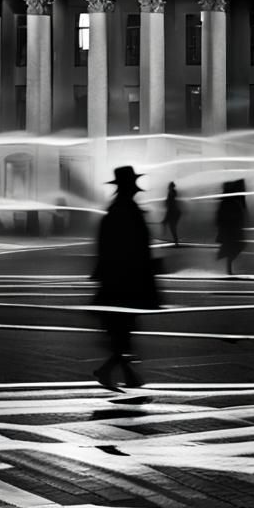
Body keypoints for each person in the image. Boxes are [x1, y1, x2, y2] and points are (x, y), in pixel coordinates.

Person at [92, 166, 161, 390]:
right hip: (126, 279)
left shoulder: (117, 210)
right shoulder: (126, 211)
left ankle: (117, 372)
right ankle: (121, 373)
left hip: (120, 279)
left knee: (122, 330)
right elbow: (134, 248)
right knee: (123, 330)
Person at [215, 180, 247, 276]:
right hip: (230, 227)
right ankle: (228, 268)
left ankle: (228, 267)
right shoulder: (230, 200)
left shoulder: (231, 199)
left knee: (235, 246)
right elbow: (222, 214)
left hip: (232, 227)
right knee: (236, 245)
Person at [162, 182, 182, 246]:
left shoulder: (171, 194)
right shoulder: (172, 194)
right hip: (174, 212)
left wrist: (165, 219)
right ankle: (176, 241)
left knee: (172, 227)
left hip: (173, 213)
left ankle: (176, 242)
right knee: (172, 227)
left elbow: (170, 208)